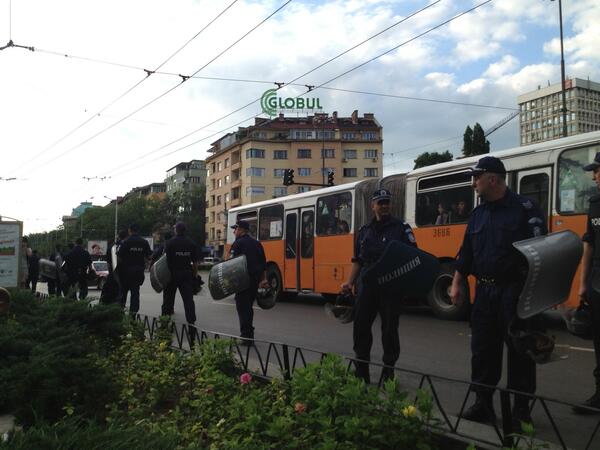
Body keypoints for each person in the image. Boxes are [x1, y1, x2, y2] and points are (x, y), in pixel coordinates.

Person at [449, 156, 547, 426]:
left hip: (515, 292)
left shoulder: (525, 209)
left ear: (492, 179)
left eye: (476, 177)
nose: (474, 183)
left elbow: (541, 252)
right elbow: (466, 252)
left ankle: (520, 411)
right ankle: (483, 404)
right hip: (485, 293)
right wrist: (457, 282)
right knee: (482, 351)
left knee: (520, 352)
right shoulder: (478, 214)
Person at [341, 188, 418, 383]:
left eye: (387, 202)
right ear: (372, 205)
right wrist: (349, 282)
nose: (384, 206)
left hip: (391, 285)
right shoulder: (364, 231)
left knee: (390, 330)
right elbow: (358, 260)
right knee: (360, 328)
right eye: (380, 202)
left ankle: (388, 372)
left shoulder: (401, 228)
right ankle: (361, 371)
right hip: (367, 285)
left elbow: (412, 256)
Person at [574, 151, 600, 414]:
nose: (594, 176)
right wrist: (583, 285)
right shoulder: (594, 203)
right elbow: (589, 246)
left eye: (597, 170)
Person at [229, 220, 268, 344]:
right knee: (248, 307)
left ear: (241, 230)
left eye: (235, 229)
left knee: (242, 308)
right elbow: (263, 264)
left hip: (242, 281)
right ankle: (249, 333)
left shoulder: (237, 244)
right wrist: (263, 280)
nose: (234, 232)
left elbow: (232, 265)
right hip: (254, 281)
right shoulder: (257, 243)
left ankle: (246, 337)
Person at [163, 223, 199, 324]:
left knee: (168, 300)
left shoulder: (170, 243)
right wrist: (195, 276)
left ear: (176, 230)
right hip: (186, 274)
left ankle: (164, 324)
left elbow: (164, 261)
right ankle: (191, 323)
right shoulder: (191, 243)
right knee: (188, 301)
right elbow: (195, 263)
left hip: (172, 275)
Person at [117, 224, 152, 315]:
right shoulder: (144, 242)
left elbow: (119, 257)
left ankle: (120, 313)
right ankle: (133, 315)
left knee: (123, 293)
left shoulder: (126, 242)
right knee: (135, 294)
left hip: (126, 272)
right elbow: (149, 257)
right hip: (138, 272)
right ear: (138, 230)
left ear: (130, 230)